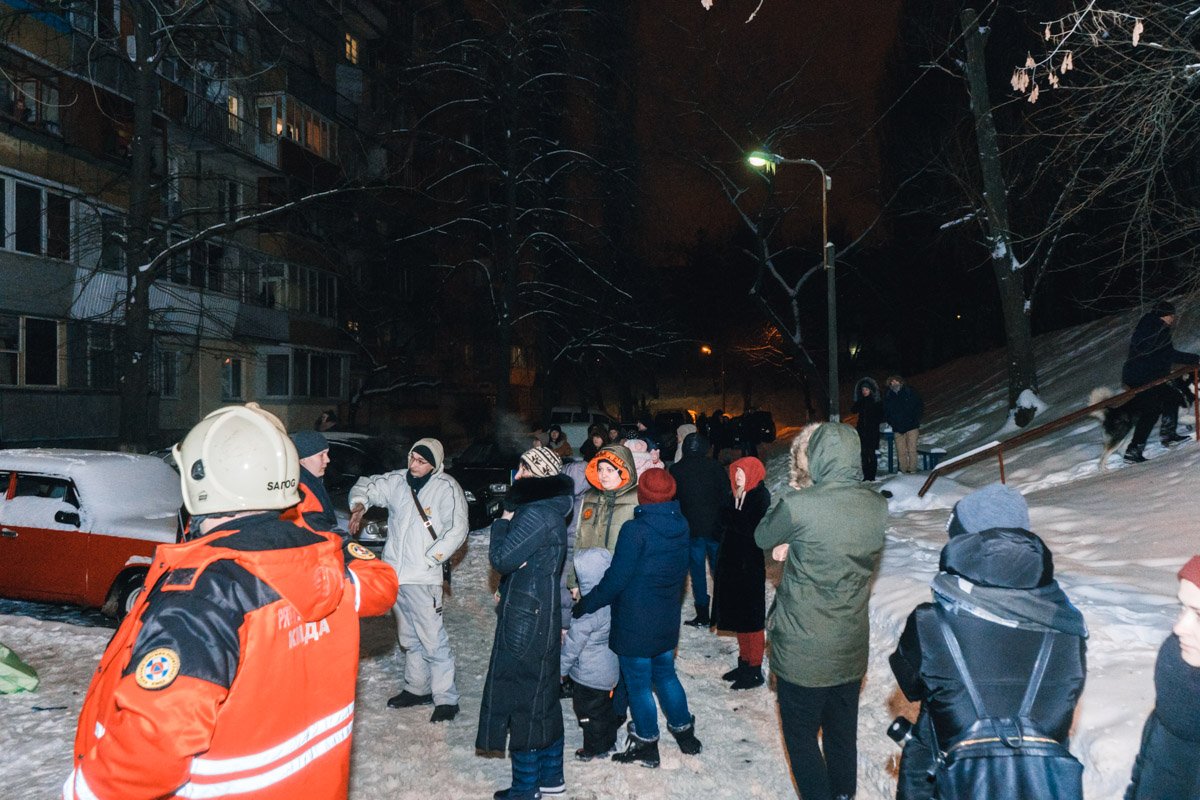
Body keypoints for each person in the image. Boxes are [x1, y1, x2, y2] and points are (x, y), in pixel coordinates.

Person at [63, 403, 398, 800]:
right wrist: (327, 542)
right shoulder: (323, 562)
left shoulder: (205, 593)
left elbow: (154, 747)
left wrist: (85, 790)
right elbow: (379, 587)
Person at [890, 483, 1087, 800]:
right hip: (1038, 784)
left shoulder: (931, 623)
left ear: (965, 547)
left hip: (952, 782)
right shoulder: (1069, 626)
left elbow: (911, 686)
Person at [754, 422, 888, 800]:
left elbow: (763, 536)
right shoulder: (876, 506)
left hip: (803, 650)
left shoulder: (799, 506)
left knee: (801, 738)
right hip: (849, 648)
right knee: (842, 736)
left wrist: (794, 510)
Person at [572, 468, 702, 768]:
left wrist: (588, 604)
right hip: (666, 617)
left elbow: (616, 578)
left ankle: (646, 743)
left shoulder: (635, 530)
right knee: (666, 675)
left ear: (643, 495)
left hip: (635, 621)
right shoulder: (681, 524)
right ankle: (685, 734)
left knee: (640, 683)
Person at [349, 437, 468, 722]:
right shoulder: (397, 482)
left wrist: (431, 558)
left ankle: (446, 698)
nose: (414, 465)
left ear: (434, 465)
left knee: (432, 639)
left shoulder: (446, 488)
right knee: (408, 637)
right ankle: (417, 688)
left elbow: (458, 528)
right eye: (413, 458)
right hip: (396, 576)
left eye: (422, 461)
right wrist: (359, 505)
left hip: (424, 577)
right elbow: (368, 484)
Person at [477, 446, 573, 800]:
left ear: (540, 475)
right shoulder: (552, 508)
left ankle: (525, 788)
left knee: (522, 697)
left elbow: (501, 558)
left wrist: (502, 521)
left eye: (525, 469)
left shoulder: (536, 514)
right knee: (542, 695)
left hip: (526, 617)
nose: (517, 475)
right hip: (539, 610)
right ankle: (551, 780)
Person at [1126, 555, 1200, 800]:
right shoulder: (1176, 676)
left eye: (1199, 615)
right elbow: (1147, 766)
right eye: (1182, 607)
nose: (1179, 628)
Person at [711, 456, 771, 690]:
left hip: (749, 567)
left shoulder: (759, 496)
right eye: (736, 472)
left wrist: (727, 515)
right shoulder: (735, 494)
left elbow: (750, 528)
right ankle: (744, 663)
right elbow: (723, 524)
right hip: (732, 565)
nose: (737, 477)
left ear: (753, 474)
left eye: (742, 473)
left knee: (752, 620)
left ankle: (754, 670)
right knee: (739, 618)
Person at [1120, 299, 1199, 463]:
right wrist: (1196, 359)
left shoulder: (1150, 326)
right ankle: (1133, 450)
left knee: (1172, 397)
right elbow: (1169, 354)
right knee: (1152, 410)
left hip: (1142, 374)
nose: (1173, 319)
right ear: (1165, 315)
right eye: (1172, 315)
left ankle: (1168, 435)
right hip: (1143, 377)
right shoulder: (1157, 329)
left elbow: (1159, 354)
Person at [560, 548, 620, 761]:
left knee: (587, 713)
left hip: (589, 675)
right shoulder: (613, 600)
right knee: (604, 710)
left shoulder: (588, 612)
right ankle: (609, 741)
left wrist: (561, 670)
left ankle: (594, 748)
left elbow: (573, 645)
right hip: (610, 669)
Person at [669, 432, 731, 628]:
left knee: (697, 573)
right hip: (715, 529)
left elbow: (673, 500)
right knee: (719, 571)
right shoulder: (715, 467)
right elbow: (726, 496)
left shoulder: (677, 470)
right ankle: (722, 613)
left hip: (691, 529)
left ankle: (703, 614)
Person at [565, 444, 638, 593]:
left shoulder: (636, 499)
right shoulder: (589, 497)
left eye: (610, 470)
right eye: (600, 469)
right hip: (590, 579)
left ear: (623, 471)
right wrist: (574, 580)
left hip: (624, 582)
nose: (603, 475)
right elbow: (578, 538)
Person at [282, 429, 339, 535]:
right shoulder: (300, 489)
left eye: (327, 453)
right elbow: (316, 527)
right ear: (302, 459)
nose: (327, 460)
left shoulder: (313, 481)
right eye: (321, 455)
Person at [884, 375, 923, 474]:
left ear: (901, 382)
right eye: (891, 382)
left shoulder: (909, 392)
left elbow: (919, 406)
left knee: (912, 449)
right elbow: (886, 411)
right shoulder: (889, 395)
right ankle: (903, 470)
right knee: (900, 451)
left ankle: (912, 469)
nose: (894, 384)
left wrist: (915, 419)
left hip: (912, 426)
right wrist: (891, 421)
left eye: (896, 381)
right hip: (897, 427)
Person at [851, 377, 884, 481]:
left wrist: (874, 421)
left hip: (872, 432)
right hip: (862, 431)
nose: (864, 392)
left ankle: (872, 476)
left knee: (871, 453)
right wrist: (858, 401)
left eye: (866, 389)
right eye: (863, 390)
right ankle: (866, 476)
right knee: (864, 454)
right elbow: (853, 410)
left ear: (871, 390)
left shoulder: (876, 401)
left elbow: (881, 415)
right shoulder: (861, 401)